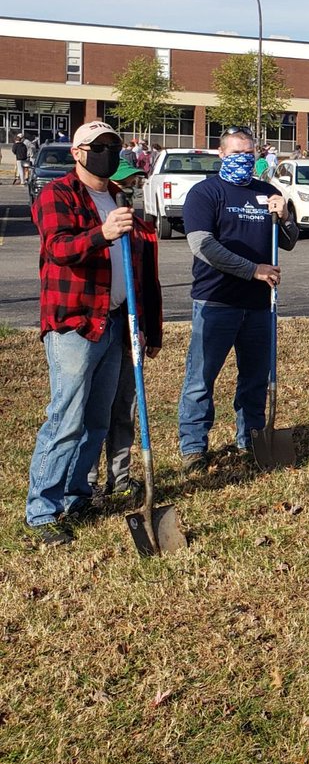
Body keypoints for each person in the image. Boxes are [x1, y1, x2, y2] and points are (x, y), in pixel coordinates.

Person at [25, 121, 163, 546]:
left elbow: (138, 270)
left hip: (116, 321)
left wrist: (142, 327)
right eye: (99, 146)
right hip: (76, 322)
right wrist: (102, 233)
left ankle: (76, 493)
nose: (108, 153)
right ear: (79, 152)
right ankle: (42, 510)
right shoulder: (58, 194)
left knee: (97, 420)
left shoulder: (118, 196)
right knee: (66, 417)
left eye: (114, 146)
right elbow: (59, 248)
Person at [177, 126, 299, 472]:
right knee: (201, 378)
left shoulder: (267, 192)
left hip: (260, 305)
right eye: (236, 154)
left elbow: (289, 240)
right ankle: (194, 448)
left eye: (249, 154)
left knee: (255, 377)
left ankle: (251, 438)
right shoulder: (206, 193)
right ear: (221, 155)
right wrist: (252, 269)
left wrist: (286, 214)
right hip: (216, 300)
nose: (243, 160)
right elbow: (203, 246)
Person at [88, 157, 153, 503]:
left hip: (127, 324)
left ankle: (121, 476)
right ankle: (87, 481)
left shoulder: (142, 228)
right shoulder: (97, 222)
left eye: (134, 183)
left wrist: (143, 328)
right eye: (124, 182)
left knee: (124, 405)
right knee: (93, 410)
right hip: (98, 324)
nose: (130, 189)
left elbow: (143, 285)